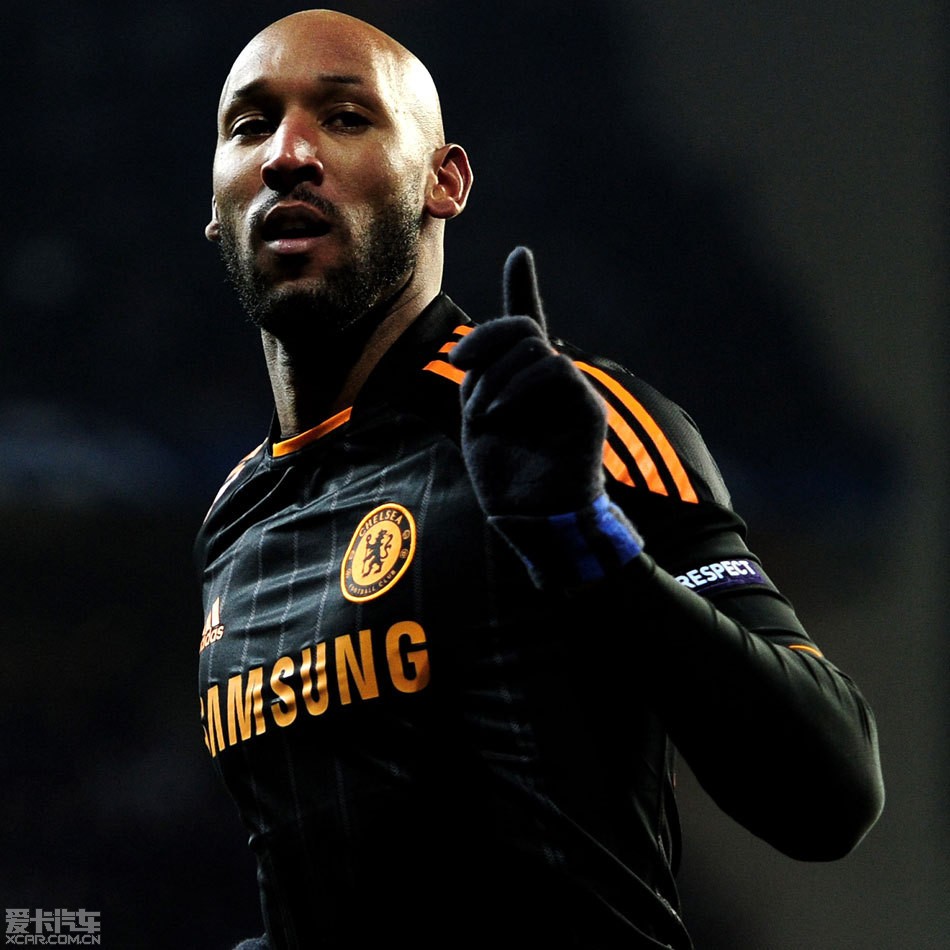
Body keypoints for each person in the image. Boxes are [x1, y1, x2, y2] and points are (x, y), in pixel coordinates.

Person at [195, 9, 884, 949]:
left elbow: (831, 794)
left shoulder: (565, 427)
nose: (288, 155)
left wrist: (582, 540)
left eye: (347, 117)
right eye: (251, 126)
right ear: (216, 204)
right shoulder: (234, 523)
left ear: (444, 181)